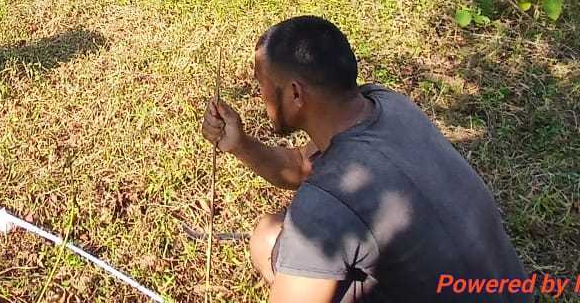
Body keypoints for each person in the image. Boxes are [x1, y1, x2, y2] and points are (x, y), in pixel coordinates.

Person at [200, 16, 529, 302]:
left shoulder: (324, 206)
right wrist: (240, 144)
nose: (260, 97)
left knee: (267, 241)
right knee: (271, 233)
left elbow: (320, 198)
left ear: (296, 94)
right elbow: (301, 166)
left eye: (263, 86)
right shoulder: (387, 104)